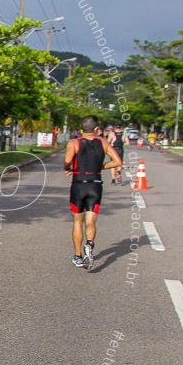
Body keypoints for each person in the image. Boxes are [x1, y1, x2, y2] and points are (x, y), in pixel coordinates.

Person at [65, 115, 123, 269]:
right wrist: (100, 167)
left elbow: (67, 161)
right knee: (91, 221)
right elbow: (118, 162)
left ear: (81, 128)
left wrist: (68, 168)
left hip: (79, 184)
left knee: (78, 221)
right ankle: (89, 244)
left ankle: (78, 256)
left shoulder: (74, 143)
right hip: (96, 185)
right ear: (96, 129)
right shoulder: (103, 143)